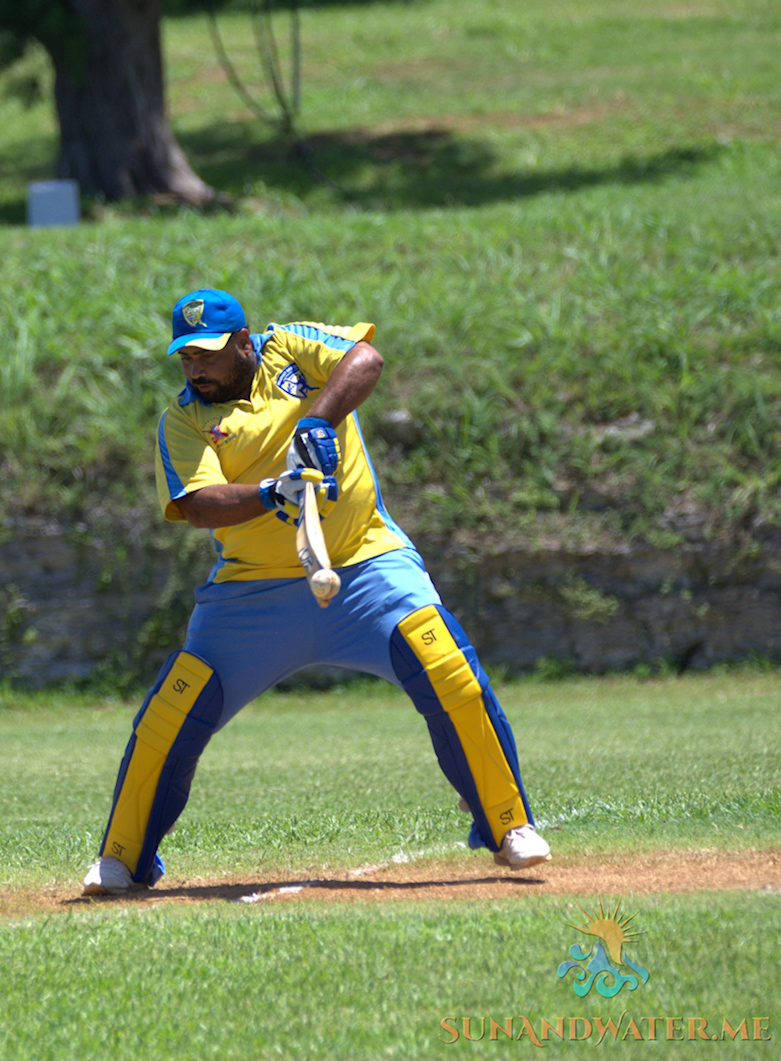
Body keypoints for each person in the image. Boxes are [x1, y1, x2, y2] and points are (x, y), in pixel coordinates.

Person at [82, 290, 549, 896]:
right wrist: (270, 492)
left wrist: (314, 422)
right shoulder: (184, 420)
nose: (195, 368)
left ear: (244, 344)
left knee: (446, 666)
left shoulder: (290, 347)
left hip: (364, 563)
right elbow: (196, 506)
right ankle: (123, 858)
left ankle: (509, 825)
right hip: (252, 594)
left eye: (208, 354)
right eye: (185, 357)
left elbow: (366, 360)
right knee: (174, 710)